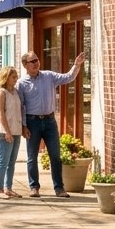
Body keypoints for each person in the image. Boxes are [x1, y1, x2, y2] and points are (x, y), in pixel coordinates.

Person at [18, 50, 86, 198]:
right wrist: (23, 126)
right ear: (25, 65)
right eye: (32, 61)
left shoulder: (49, 76)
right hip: (32, 122)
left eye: (37, 60)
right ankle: (34, 187)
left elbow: (68, 77)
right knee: (32, 157)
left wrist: (76, 65)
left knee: (55, 156)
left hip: (49, 122)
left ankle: (59, 188)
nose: (36, 63)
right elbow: (21, 107)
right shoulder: (21, 84)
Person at [0, 66, 23, 198]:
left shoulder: (15, 92)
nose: (16, 79)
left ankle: (8, 188)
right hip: (5, 132)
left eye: (16, 76)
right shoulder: (1, 93)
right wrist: (7, 132)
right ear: (6, 78)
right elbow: (1, 114)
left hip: (16, 130)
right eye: (13, 77)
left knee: (12, 162)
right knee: (3, 161)